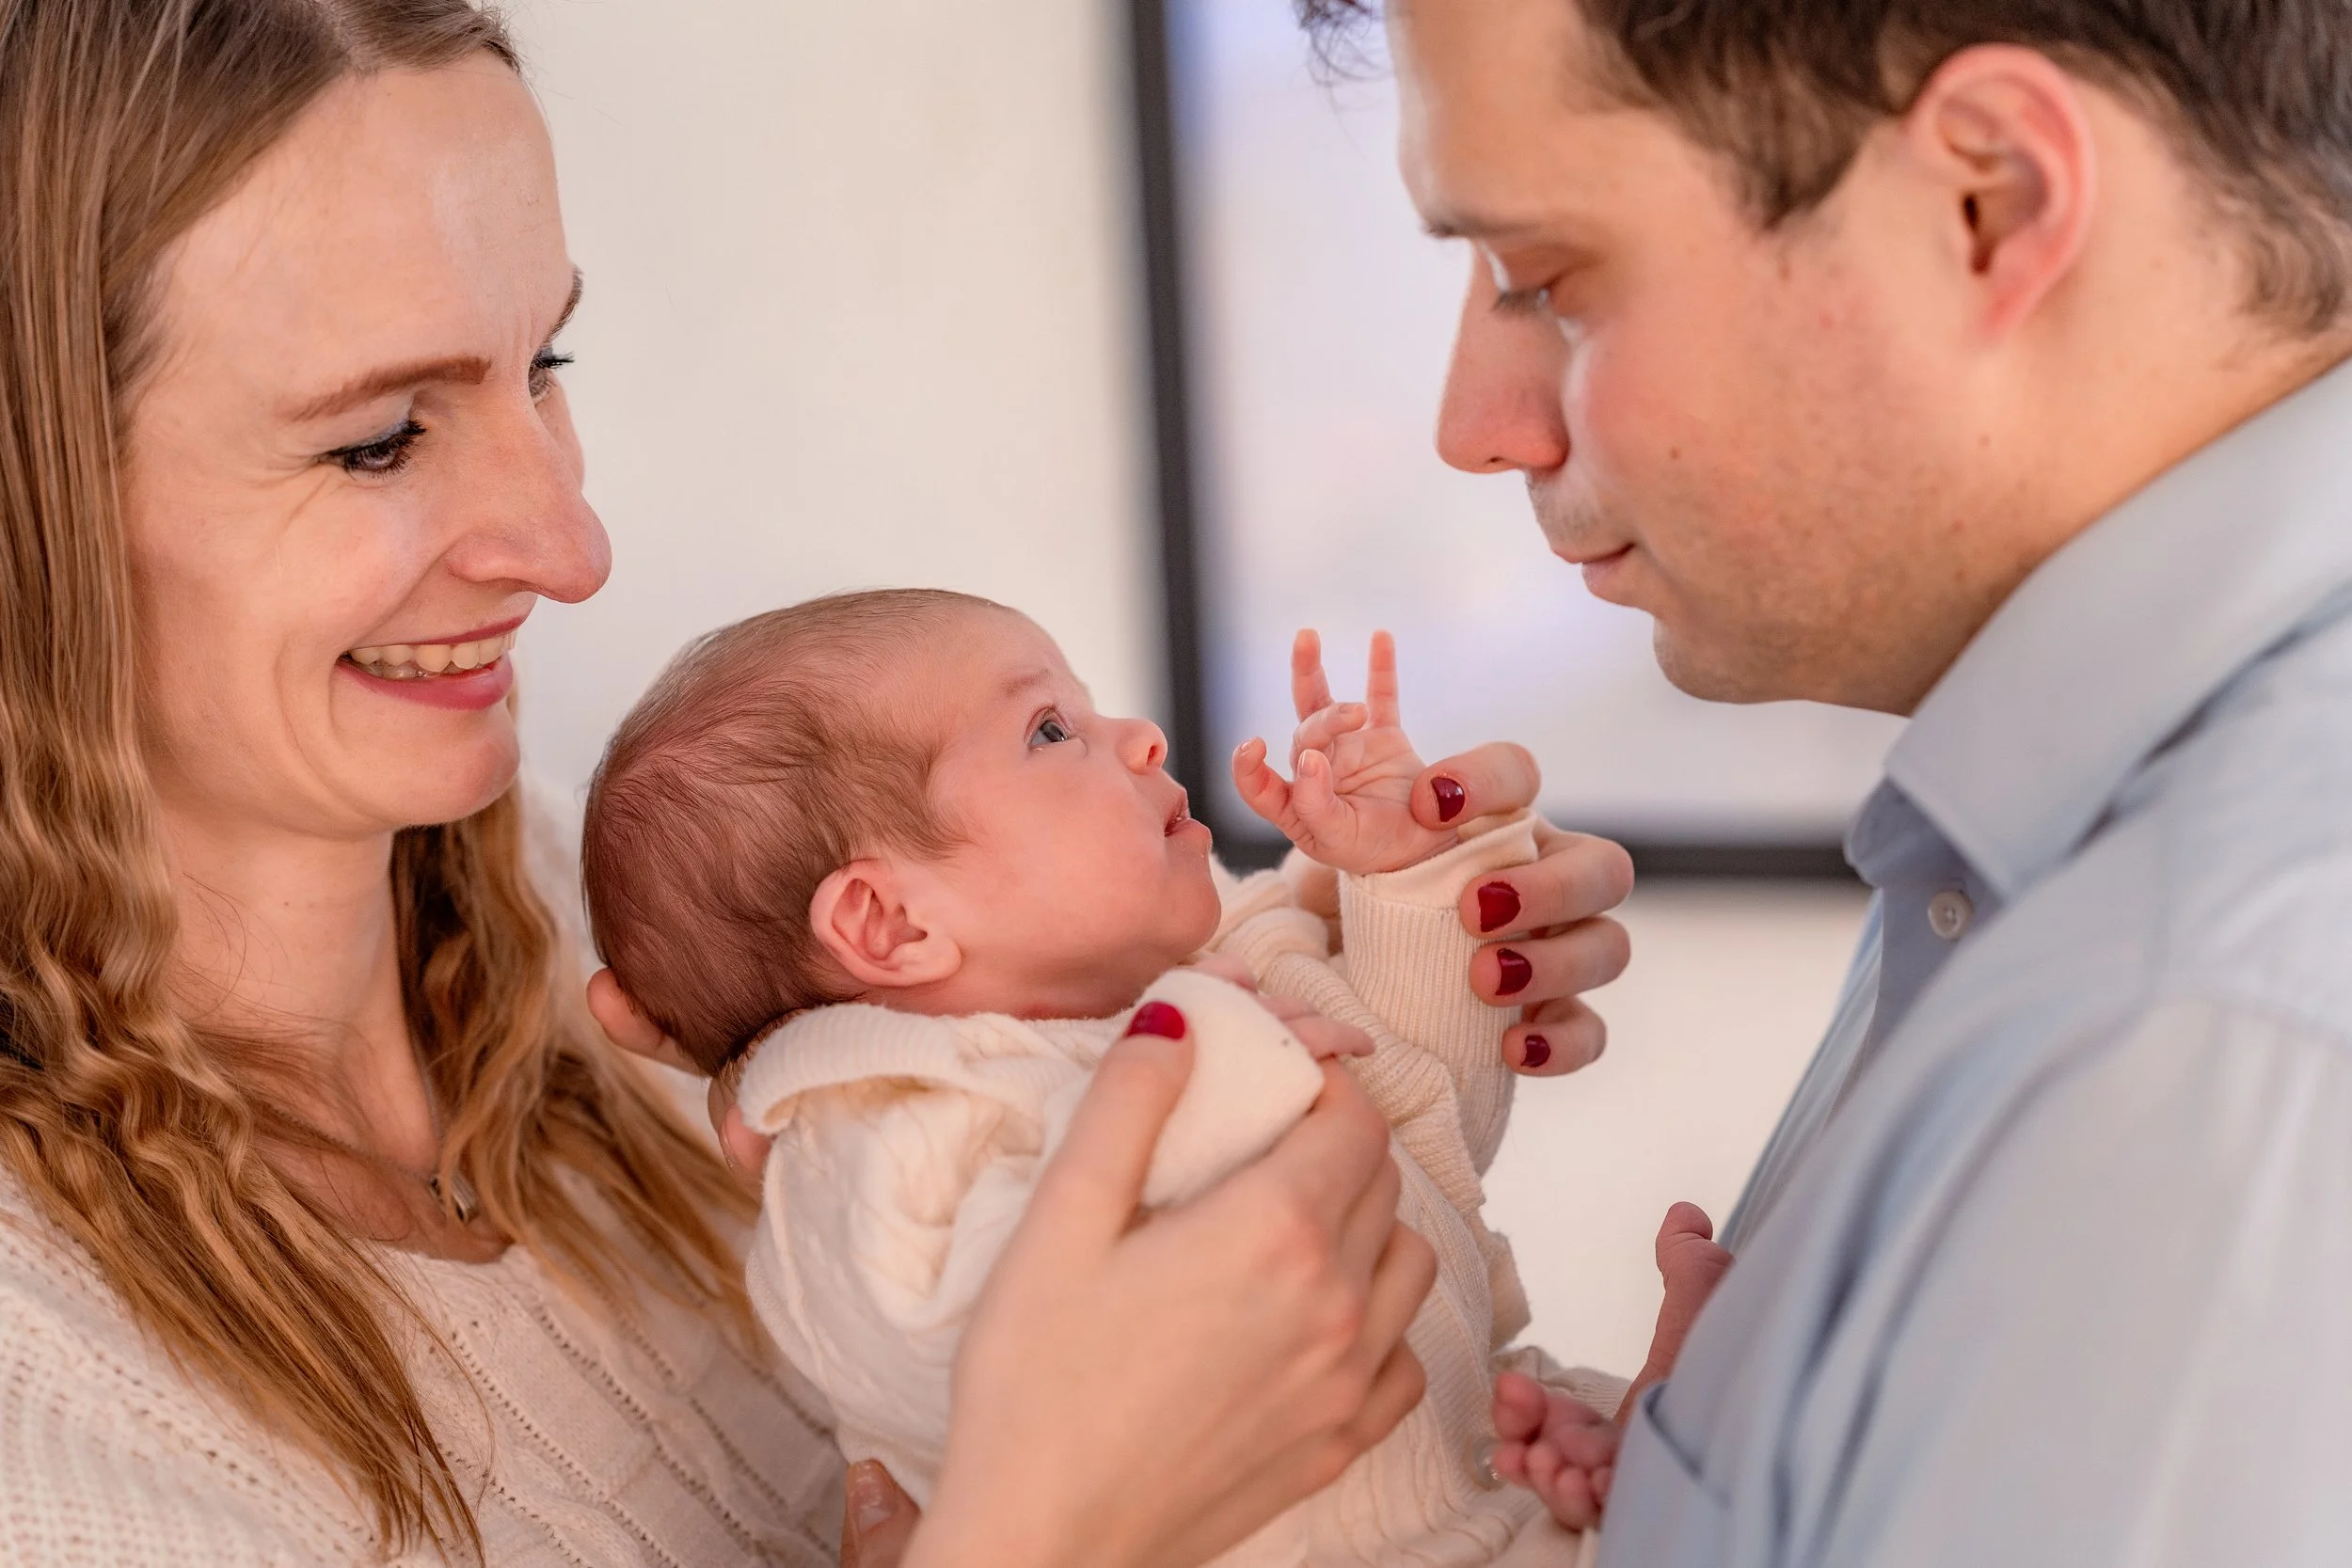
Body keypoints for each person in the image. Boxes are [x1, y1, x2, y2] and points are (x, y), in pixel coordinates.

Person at [0, 4, 1637, 1565]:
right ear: (40, 498)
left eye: (545, 362)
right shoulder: (46, 1388)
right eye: (377, 440)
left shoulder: (640, 928)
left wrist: (1389, 932)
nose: (571, 548)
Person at [1297, 0, 2352, 1560]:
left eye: (1546, 281)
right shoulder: (2051, 867)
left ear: (1985, 204)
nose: (1478, 427)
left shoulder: (2195, 1033)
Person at [576, 588, 1636, 1565]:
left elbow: (1424, 1108)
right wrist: (1234, 1057)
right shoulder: (873, 1147)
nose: (1142, 736)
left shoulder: (1189, 974)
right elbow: (1012, 1356)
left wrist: (1407, 877)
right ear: (889, 921)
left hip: (1480, 1485)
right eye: (1049, 730)